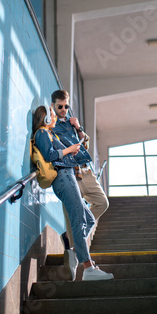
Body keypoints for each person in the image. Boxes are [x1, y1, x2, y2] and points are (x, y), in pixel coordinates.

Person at [32, 104, 114, 281]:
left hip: (69, 175)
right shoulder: (42, 133)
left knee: (89, 219)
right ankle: (88, 267)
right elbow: (50, 155)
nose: (54, 117)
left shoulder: (50, 133)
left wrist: (76, 148)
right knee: (77, 218)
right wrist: (69, 150)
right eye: (52, 114)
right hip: (63, 178)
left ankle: (76, 246)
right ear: (46, 118)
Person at [51, 90, 109, 263]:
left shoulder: (71, 123)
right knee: (73, 219)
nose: (63, 109)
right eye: (60, 106)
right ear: (53, 105)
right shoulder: (51, 125)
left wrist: (78, 128)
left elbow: (85, 144)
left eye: (66, 106)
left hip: (85, 172)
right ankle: (77, 254)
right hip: (69, 176)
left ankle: (72, 237)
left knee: (103, 203)